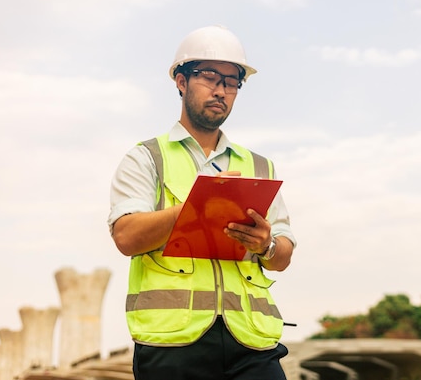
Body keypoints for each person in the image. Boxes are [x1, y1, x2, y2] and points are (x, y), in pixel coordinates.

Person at [107, 25, 296, 380]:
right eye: (209, 76)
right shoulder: (147, 158)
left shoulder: (259, 166)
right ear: (181, 81)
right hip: (173, 345)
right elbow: (127, 237)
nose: (220, 89)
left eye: (231, 81)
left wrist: (267, 244)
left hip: (252, 344)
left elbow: (283, 255)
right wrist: (195, 208)